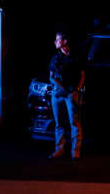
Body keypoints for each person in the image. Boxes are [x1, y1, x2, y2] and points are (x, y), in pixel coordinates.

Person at [48, 31, 85, 160]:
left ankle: (75, 151)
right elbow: (51, 77)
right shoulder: (55, 58)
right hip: (58, 94)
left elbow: (82, 74)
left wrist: (78, 89)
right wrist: (60, 88)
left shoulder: (75, 57)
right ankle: (59, 149)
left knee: (74, 122)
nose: (55, 42)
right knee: (59, 123)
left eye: (57, 39)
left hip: (71, 93)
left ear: (64, 41)